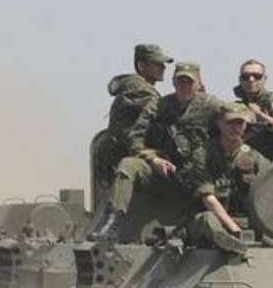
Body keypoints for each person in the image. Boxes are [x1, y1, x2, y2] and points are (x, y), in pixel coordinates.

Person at [90, 61, 223, 241]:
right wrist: (153, 159)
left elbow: (237, 120)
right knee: (128, 165)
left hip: (198, 179)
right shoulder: (159, 106)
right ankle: (112, 223)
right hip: (164, 174)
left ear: (199, 84)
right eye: (180, 82)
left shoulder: (212, 106)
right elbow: (134, 137)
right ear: (173, 83)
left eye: (189, 82)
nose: (184, 86)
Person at [180, 105, 271, 253]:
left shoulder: (254, 157)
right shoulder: (203, 154)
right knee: (207, 219)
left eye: (240, 123)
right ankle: (226, 241)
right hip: (212, 221)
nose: (235, 128)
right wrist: (234, 230)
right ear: (219, 123)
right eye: (230, 123)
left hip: (243, 221)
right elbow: (208, 199)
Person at [96, 44, 174, 181]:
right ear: (141, 66)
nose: (163, 67)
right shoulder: (138, 89)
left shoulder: (139, 88)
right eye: (157, 64)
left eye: (163, 64)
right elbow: (164, 114)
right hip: (131, 155)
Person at [231, 58, 273, 159]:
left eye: (257, 76)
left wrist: (261, 116)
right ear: (240, 80)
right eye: (246, 77)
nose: (251, 80)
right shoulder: (238, 106)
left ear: (264, 79)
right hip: (249, 157)